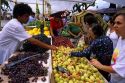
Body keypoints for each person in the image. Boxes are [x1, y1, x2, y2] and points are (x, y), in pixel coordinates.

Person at [91, 13, 125, 83]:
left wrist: (100, 66)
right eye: (114, 23)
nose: (115, 25)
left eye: (119, 23)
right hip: (114, 78)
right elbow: (116, 55)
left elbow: (120, 69)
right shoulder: (121, 38)